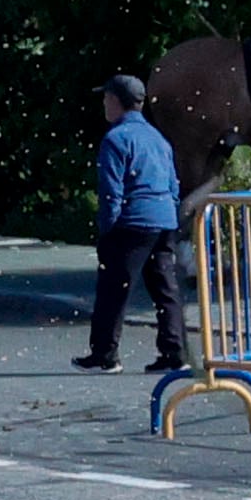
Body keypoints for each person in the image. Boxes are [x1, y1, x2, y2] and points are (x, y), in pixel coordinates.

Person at [81, 75, 189, 375]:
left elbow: (111, 191)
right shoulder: (158, 138)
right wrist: (171, 213)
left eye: (106, 98)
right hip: (164, 219)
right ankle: (174, 353)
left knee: (113, 288)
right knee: (166, 289)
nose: (104, 103)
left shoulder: (116, 138)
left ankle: (105, 355)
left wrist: (108, 229)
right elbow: (173, 184)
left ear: (115, 101)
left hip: (133, 221)